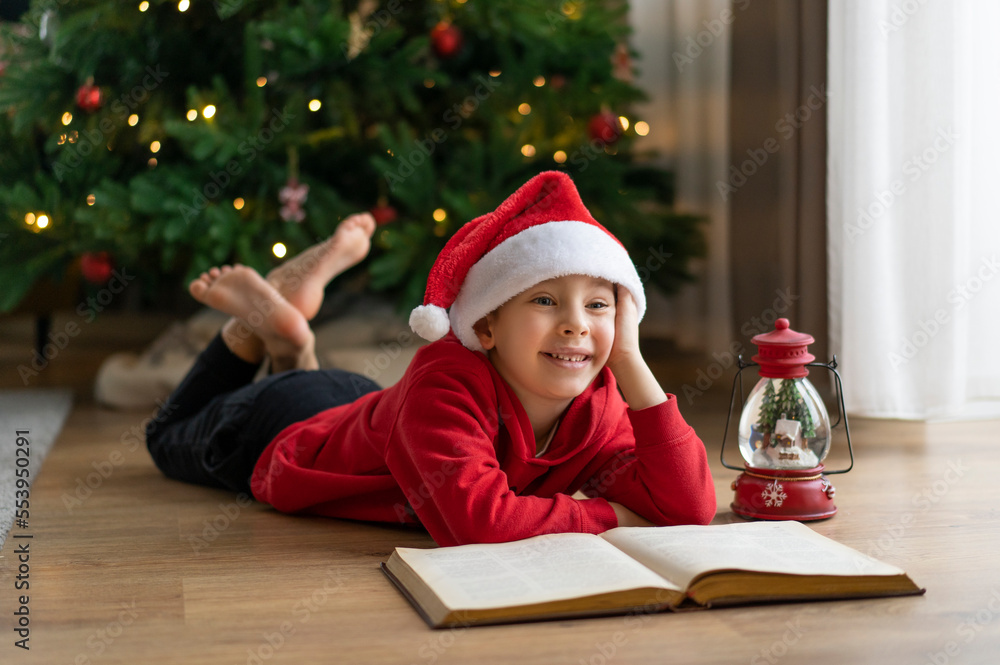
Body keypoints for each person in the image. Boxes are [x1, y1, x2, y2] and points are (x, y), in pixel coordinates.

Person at [146, 171, 716, 546]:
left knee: (326, 398)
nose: (575, 324)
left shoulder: (597, 401)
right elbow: (478, 522)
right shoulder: (444, 384)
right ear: (487, 324)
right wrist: (610, 518)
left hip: (355, 408)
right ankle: (256, 333)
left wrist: (632, 362)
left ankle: (292, 341)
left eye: (598, 305)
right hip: (275, 428)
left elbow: (690, 507)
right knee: (165, 434)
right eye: (545, 300)